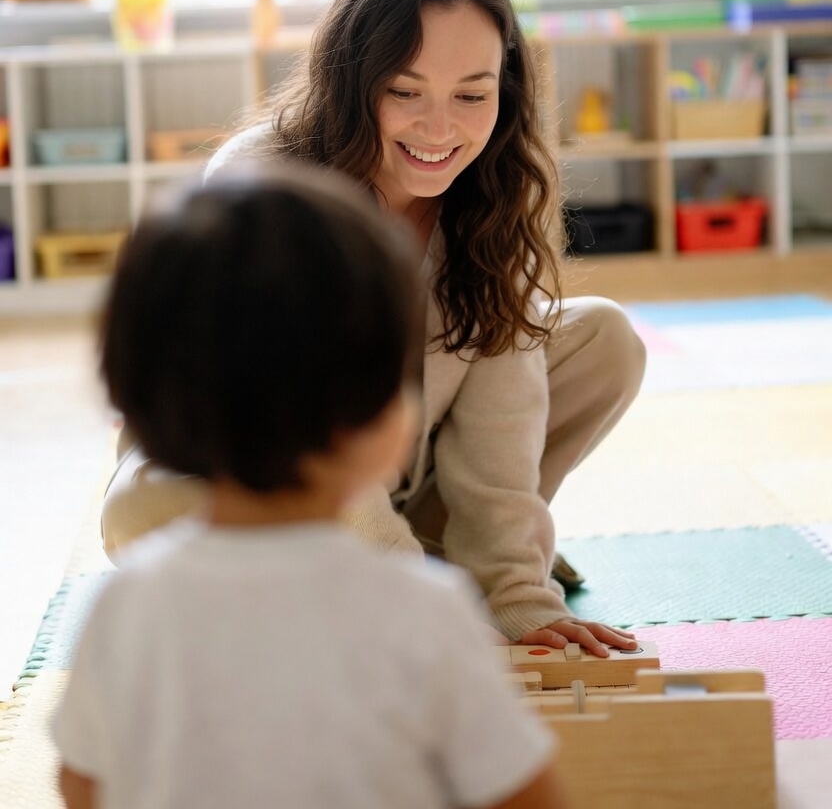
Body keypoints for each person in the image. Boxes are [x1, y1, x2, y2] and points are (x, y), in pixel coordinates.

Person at [101, 0, 646, 654]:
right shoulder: (267, 180)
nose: (440, 128)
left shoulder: (506, 188)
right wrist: (413, 601)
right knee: (141, 509)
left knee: (605, 339)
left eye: (472, 95)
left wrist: (516, 594)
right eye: (405, 92)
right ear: (353, 82)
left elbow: (503, 410)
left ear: (504, 90)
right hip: (263, 476)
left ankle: (445, 560)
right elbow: (298, 422)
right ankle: (396, 574)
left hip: (402, 473)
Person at [53, 167, 567, 809]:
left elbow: (82, 786)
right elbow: (526, 797)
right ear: (385, 426)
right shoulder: (426, 613)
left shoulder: (125, 608)